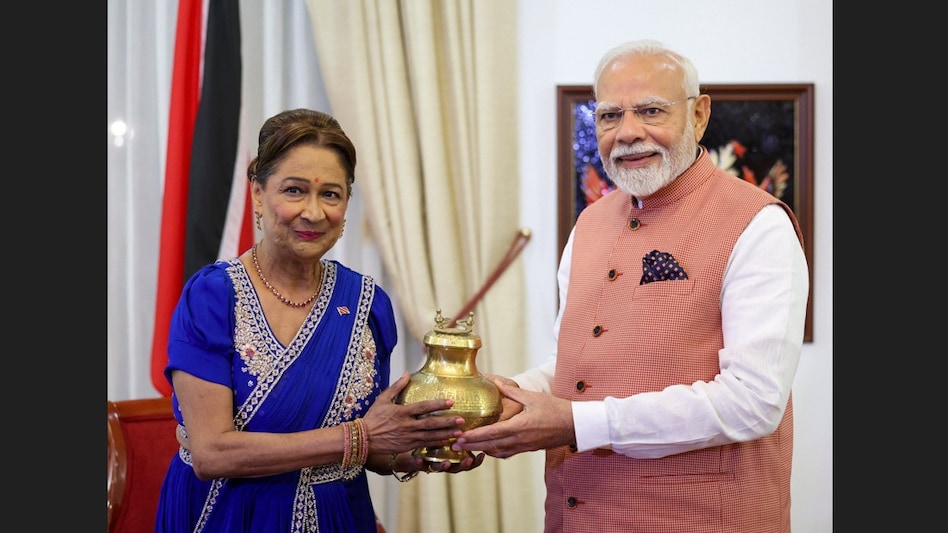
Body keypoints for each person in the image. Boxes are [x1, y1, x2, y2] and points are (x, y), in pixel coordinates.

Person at [453, 39, 809, 532]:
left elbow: (753, 403)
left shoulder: (758, 224)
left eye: (650, 111)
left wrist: (575, 424)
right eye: (609, 116)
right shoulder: (590, 224)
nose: (628, 133)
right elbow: (577, 367)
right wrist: (511, 394)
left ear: (699, 115)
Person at [155, 108, 484, 533]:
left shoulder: (367, 303)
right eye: (294, 191)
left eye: (331, 194)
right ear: (257, 193)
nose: (313, 212)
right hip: (228, 512)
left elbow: (374, 445)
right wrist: (361, 437)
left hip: (339, 514)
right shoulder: (214, 296)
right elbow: (212, 454)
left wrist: (418, 449)